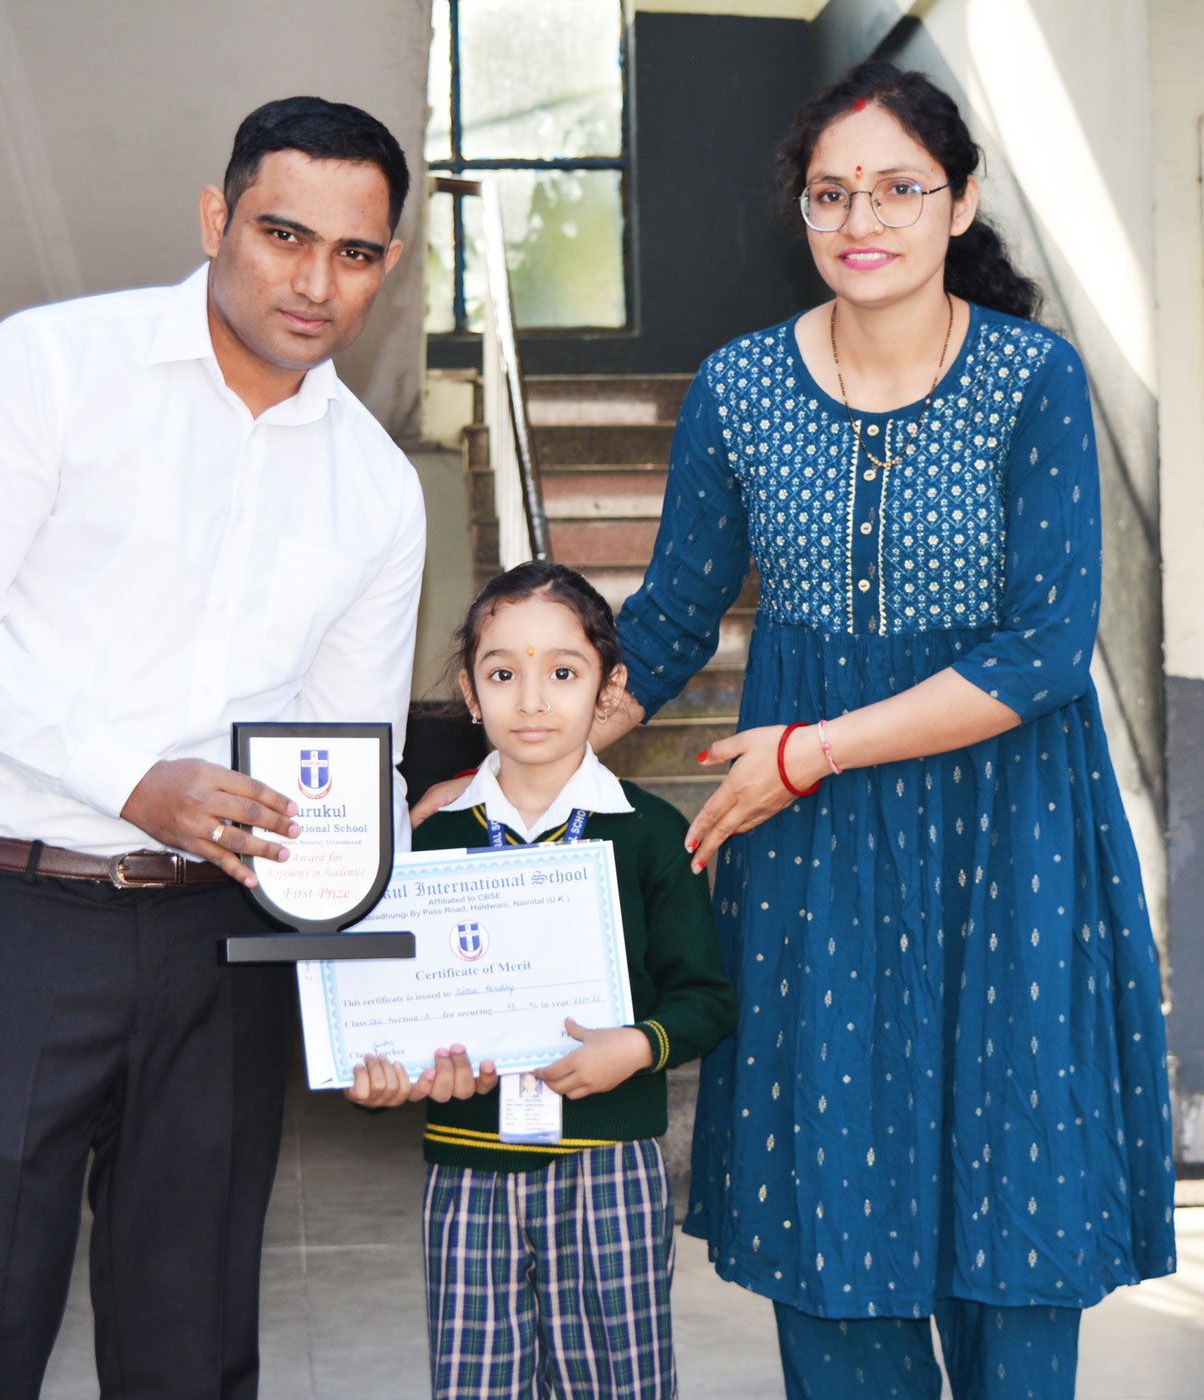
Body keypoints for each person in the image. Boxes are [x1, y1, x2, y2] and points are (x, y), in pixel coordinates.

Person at [414, 62, 1177, 1399]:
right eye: (829, 194)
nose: (859, 218)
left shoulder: (1030, 380)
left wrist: (808, 748)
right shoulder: (740, 388)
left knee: (1011, 1211)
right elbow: (665, 620)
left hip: (1006, 839)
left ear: (959, 202)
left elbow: (1045, 649)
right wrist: (503, 775)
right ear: (801, 210)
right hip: (812, 865)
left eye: (896, 189)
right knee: (834, 1212)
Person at [0, 96, 422, 1399]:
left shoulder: (375, 485)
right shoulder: (49, 368)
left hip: (220, 943)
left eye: (352, 253)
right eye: (283, 235)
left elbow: (349, 761)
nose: (314, 282)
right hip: (11, 916)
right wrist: (134, 782)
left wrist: (404, 988)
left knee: (190, 1339)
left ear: (386, 267)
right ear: (216, 218)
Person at [348, 562, 737, 1400]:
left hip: (609, 1166)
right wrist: (380, 1070)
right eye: (502, 675)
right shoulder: (428, 840)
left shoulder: (649, 834)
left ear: (609, 688)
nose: (531, 700)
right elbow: (389, 1006)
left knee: (619, 1382)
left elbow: (705, 999)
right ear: (469, 692)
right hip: (467, 1168)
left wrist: (638, 1046)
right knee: (474, 1380)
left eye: (563, 673)